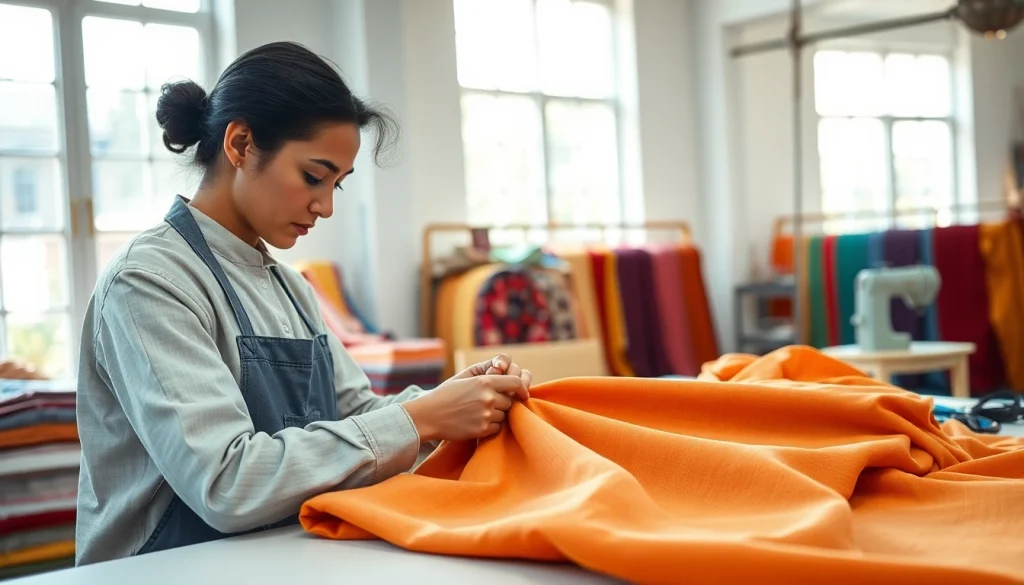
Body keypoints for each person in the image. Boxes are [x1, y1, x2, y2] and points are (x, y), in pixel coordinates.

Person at [74, 41, 532, 566]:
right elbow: (227, 484)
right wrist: (423, 418)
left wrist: (450, 400)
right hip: (157, 569)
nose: (326, 205)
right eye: (314, 177)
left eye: (338, 183)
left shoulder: (289, 288)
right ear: (242, 144)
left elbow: (355, 413)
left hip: (268, 558)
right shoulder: (150, 282)